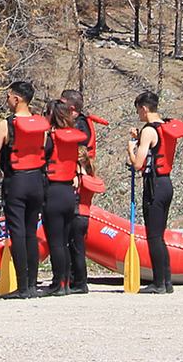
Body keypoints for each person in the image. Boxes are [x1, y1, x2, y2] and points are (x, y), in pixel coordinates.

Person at [0, 79, 49, 298]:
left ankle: (22, 286)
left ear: (17, 99)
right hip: (37, 181)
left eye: (8, 96)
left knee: (18, 233)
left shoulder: (7, 124)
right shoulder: (41, 123)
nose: (7, 100)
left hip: (17, 181)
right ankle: (32, 284)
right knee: (31, 232)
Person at [127, 91, 183, 295]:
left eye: (138, 110)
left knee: (153, 236)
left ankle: (158, 283)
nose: (138, 115)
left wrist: (131, 148)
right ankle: (166, 281)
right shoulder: (164, 126)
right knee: (159, 235)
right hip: (166, 184)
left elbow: (138, 163)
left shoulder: (148, 130)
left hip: (154, 186)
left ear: (144, 109)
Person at [42, 99, 91, 295]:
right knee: (65, 240)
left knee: (55, 242)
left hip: (53, 191)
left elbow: (41, 157)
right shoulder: (74, 137)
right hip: (69, 193)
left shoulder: (51, 137)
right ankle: (66, 283)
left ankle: (58, 283)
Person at [61, 88, 106, 293]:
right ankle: (73, 278)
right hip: (80, 179)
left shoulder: (79, 127)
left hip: (79, 185)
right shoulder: (81, 124)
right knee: (72, 237)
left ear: (71, 108)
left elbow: (78, 151)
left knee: (76, 237)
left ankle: (79, 281)